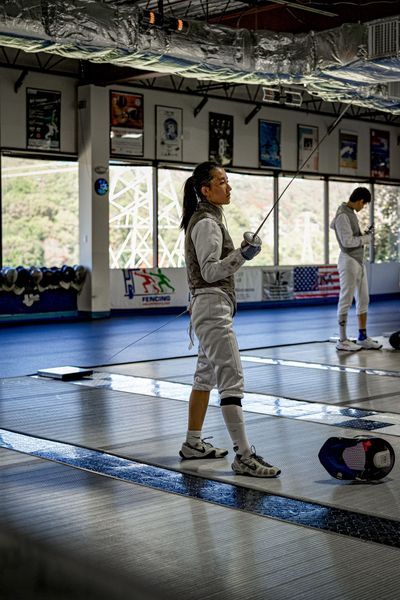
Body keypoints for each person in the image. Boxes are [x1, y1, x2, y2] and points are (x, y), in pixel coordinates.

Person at [178, 161, 281, 478]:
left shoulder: (208, 218)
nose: (228, 186)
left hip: (206, 306)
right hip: (212, 308)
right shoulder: (207, 222)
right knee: (231, 379)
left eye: (228, 180)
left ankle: (193, 444)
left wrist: (239, 253)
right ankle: (245, 456)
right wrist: (242, 255)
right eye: (221, 181)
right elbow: (210, 272)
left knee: (204, 377)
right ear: (205, 190)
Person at [330, 187, 382, 351]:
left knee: (363, 299)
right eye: (364, 204)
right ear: (360, 201)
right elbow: (346, 242)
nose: (363, 207)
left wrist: (363, 235)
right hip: (348, 261)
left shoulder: (350, 213)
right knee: (346, 299)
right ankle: (343, 339)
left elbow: (352, 236)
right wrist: (366, 238)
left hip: (358, 261)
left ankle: (362, 337)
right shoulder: (343, 215)